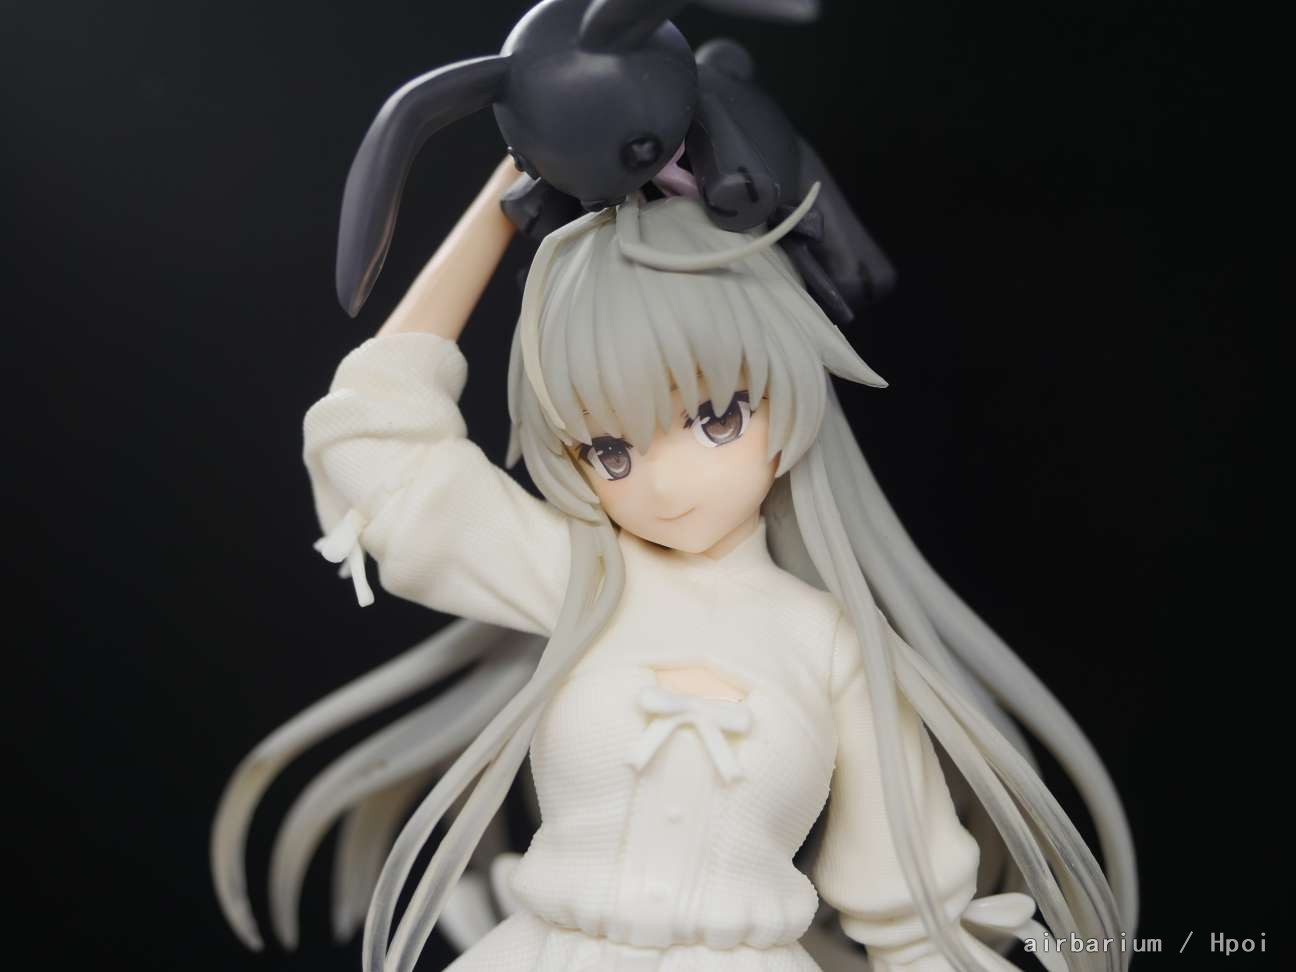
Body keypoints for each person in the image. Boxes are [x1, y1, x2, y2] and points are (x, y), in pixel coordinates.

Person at [213, 159, 1135, 972]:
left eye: (715, 418)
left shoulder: (831, 647)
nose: (662, 485)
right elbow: (379, 444)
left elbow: (910, 909)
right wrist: (506, 194)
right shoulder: (581, 577)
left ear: (785, 389)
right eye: (609, 450)